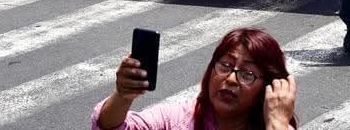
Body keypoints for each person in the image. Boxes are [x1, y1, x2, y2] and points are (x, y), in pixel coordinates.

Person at [92, 27, 298, 130]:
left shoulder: (276, 126)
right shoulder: (178, 120)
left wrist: (278, 123)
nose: (232, 79)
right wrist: (123, 95)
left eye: (247, 74)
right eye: (225, 65)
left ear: (269, 88)